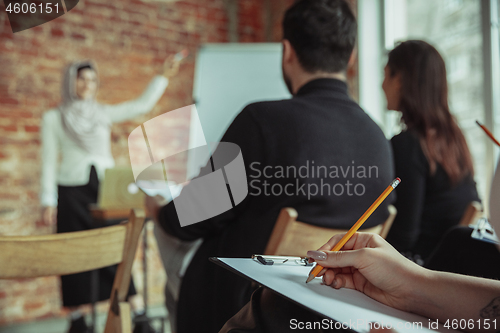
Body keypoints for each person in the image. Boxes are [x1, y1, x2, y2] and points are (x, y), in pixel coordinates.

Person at [145, 1, 394, 332]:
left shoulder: (262, 122)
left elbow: (189, 218)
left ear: (287, 52)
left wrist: (160, 212)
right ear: (351, 57)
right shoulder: (378, 137)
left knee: (168, 230)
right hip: (339, 311)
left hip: (244, 309)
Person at [221, 156, 500, 333]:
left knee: (274, 306)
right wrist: (412, 284)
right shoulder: (378, 136)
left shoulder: (404, 146)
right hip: (412, 277)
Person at [40, 56, 181, 333]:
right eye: (82, 78)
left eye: (92, 79)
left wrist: (162, 76)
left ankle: (137, 313)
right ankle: (77, 319)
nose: (87, 84)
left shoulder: (102, 113)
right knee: (73, 252)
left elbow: (141, 105)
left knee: (117, 247)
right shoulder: (53, 117)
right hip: (70, 191)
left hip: (105, 188)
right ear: (71, 81)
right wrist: (47, 200)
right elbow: (47, 160)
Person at [382, 40, 480, 262]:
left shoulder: (408, 144)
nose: (382, 85)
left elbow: (403, 237)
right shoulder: (455, 139)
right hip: (455, 266)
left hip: (424, 270)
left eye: (386, 75)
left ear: (399, 80)